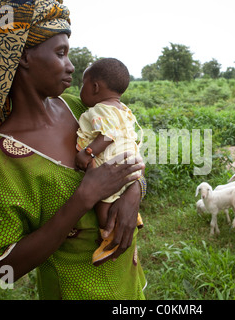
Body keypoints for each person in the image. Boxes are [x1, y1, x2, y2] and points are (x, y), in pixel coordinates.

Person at [0, 0, 146, 300]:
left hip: (128, 284)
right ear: (22, 58)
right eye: (61, 53)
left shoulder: (77, 108)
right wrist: (84, 198)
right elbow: (7, 269)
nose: (71, 66)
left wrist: (134, 191)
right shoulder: (1, 155)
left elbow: (127, 144)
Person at [74, 58, 144, 266]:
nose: (80, 89)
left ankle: (109, 238)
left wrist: (87, 153)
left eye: (82, 84)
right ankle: (134, 217)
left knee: (104, 207)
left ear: (95, 87)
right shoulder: (122, 109)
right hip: (129, 161)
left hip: (111, 163)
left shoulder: (99, 110)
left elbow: (108, 135)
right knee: (119, 197)